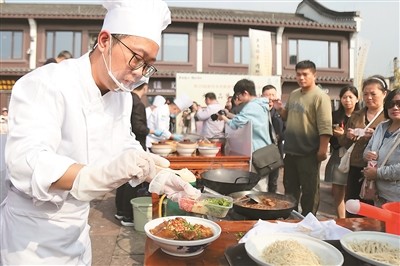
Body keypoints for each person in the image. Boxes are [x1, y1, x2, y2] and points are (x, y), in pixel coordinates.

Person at [0, 0, 201, 264]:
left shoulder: (121, 97)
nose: (140, 73)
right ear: (104, 40)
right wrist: (95, 175)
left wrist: (153, 173)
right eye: (136, 58)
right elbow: (25, 162)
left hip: (78, 229)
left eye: (148, 65)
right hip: (32, 235)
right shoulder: (47, 83)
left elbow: (124, 144)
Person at [273, 60, 332, 216]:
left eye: (305, 74)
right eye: (298, 74)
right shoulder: (294, 94)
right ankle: (291, 218)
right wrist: (279, 109)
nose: (301, 77)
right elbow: (287, 117)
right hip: (291, 151)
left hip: (309, 152)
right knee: (290, 189)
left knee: (310, 190)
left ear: (314, 75)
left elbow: (325, 125)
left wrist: (323, 149)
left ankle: (309, 220)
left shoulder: (320, 97)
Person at [339, 75, 387, 216]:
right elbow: (343, 142)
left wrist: (375, 136)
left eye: (373, 94)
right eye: (365, 94)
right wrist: (348, 136)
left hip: (378, 168)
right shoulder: (356, 115)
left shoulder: (389, 116)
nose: (369, 97)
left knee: (374, 207)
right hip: (356, 165)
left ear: (384, 94)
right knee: (353, 204)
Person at [115, 82, 157, 226]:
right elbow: (138, 127)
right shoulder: (137, 103)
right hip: (135, 144)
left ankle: (120, 211)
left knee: (123, 179)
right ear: (145, 87)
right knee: (133, 181)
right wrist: (151, 131)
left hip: (124, 145)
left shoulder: (127, 99)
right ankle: (127, 216)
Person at [324, 86, 360, 218]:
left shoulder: (361, 116)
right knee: (338, 191)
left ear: (357, 98)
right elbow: (329, 138)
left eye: (351, 97)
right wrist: (336, 136)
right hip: (338, 155)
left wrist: (344, 135)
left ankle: (352, 220)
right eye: (344, 97)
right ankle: (341, 220)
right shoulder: (334, 116)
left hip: (356, 157)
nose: (347, 100)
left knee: (353, 192)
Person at [363, 88, 400, 206]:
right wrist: (368, 155)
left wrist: (378, 173)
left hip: (396, 197)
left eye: (399, 104)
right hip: (377, 193)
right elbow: (367, 150)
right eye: (391, 104)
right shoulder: (381, 127)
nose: (395, 107)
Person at [218, 79, 271, 152]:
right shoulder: (260, 104)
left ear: (245, 93)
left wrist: (222, 117)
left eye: (238, 95)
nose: (238, 98)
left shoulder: (251, 106)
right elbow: (244, 118)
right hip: (264, 146)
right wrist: (228, 114)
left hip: (257, 149)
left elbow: (234, 124)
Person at [261, 85, 285, 193]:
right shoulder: (259, 112)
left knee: (273, 182)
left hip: (275, 153)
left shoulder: (280, 113)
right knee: (261, 181)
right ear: (261, 96)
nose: (270, 98)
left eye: (272, 95)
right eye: (267, 95)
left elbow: (286, 130)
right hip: (261, 153)